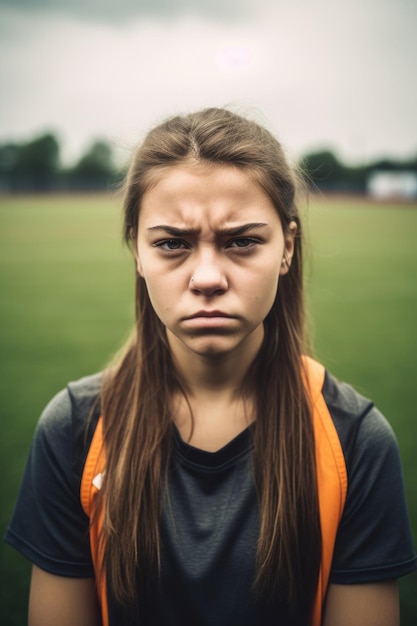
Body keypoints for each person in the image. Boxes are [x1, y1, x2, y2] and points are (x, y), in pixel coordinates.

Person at [4, 107, 416, 626]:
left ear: (287, 247)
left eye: (241, 241)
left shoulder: (355, 441)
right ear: (137, 249)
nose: (206, 278)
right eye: (172, 244)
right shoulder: (74, 429)